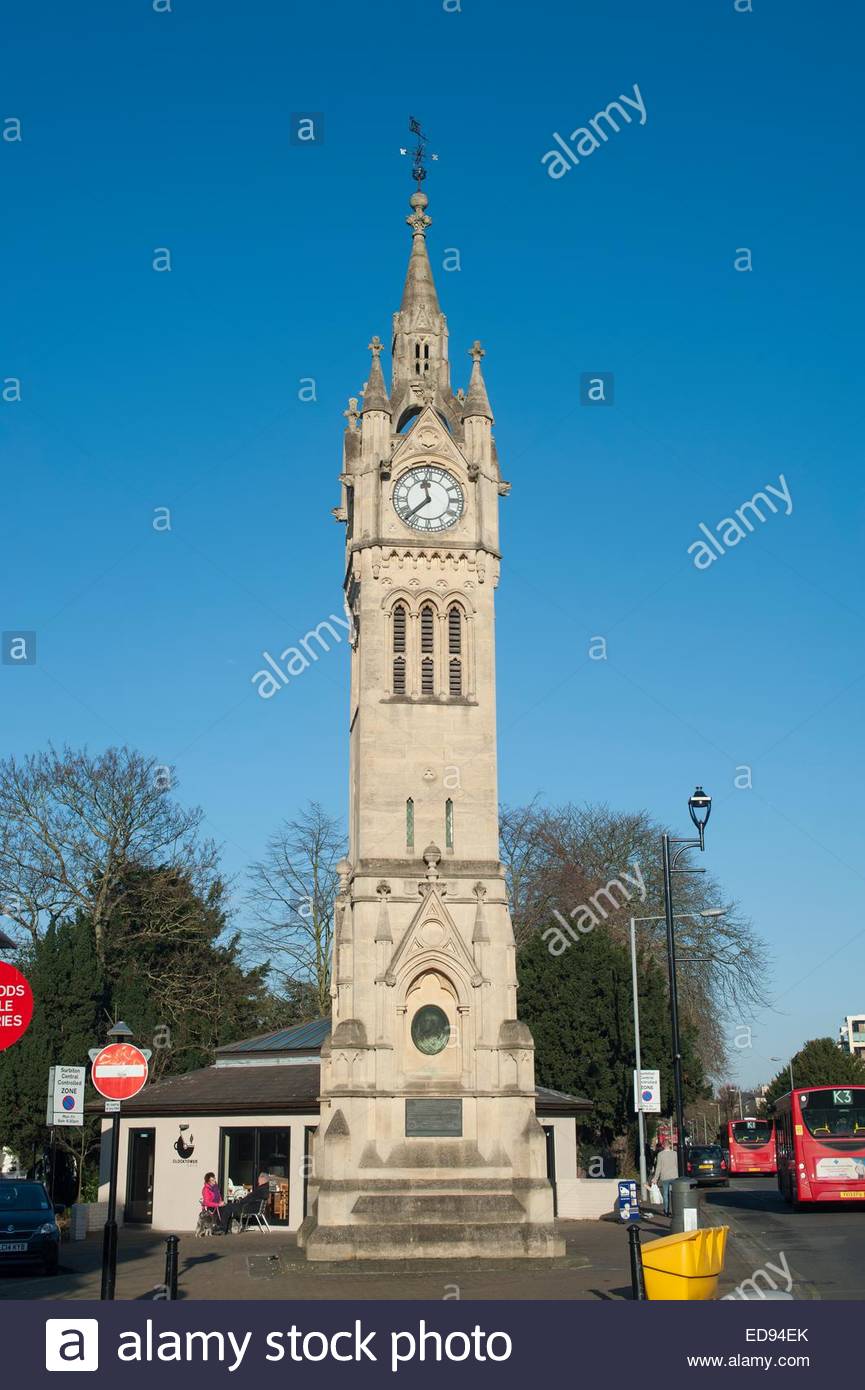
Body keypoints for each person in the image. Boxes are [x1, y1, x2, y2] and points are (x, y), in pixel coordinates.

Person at [651, 1140, 679, 1216]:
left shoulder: (660, 1154)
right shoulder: (675, 1154)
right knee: (674, 1194)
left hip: (665, 1177)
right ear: (670, 1145)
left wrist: (655, 1178)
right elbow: (677, 1165)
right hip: (674, 1176)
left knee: (665, 1194)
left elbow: (658, 1167)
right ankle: (675, 1211)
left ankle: (666, 1211)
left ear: (663, 1145)